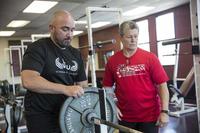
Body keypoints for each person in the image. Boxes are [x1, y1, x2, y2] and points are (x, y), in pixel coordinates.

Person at [21, 10, 88, 133]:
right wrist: (65, 89)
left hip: (67, 112)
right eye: (65, 29)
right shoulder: (38, 48)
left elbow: (83, 85)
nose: (70, 34)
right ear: (51, 28)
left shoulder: (75, 54)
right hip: (41, 115)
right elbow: (29, 80)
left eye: (72, 30)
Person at [103, 21, 169, 133]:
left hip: (149, 116)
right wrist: (112, 105)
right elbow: (107, 86)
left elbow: (162, 85)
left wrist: (165, 111)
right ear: (121, 38)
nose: (133, 40)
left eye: (135, 36)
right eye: (129, 37)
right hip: (125, 116)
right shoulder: (113, 61)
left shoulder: (150, 58)